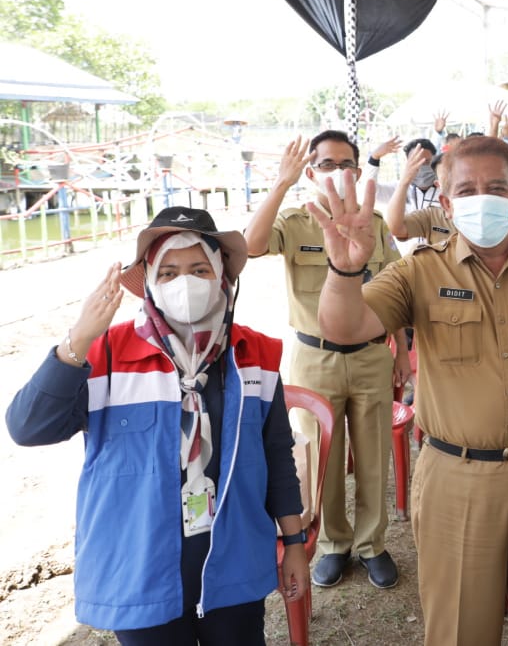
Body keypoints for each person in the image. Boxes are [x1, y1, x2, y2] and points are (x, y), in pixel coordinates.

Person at [307, 136, 508, 645]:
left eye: (496, 188)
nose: (481, 198)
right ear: (444, 202)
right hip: (456, 478)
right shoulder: (418, 270)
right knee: (462, 627)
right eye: (466, 189)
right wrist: (345, 270)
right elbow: (344, 326)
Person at [6, 208, 307, 644]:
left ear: (222, 276)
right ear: (149, 282)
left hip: (236, 565)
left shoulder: (254, 353)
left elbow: (277, 452)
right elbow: (27, 427)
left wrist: (294, 541)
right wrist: (78, 339)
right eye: (168, 272)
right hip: (140, 574)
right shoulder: (107, 353)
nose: (185, 283)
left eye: (199, 268)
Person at [244, 131, 411, 590]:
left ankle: (372, 544)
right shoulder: (297, 221)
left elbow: (395, 285)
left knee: (374, 452)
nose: (338, 172)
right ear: (311, 171)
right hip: (315, 357)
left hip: (373, 356)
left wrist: (402, 353)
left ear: (359, 171)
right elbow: (251, 246)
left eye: (347, 163)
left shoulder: (373, 223)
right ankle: (336, 543)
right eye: (327, 164)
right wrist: (280, 184)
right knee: (323, 456)